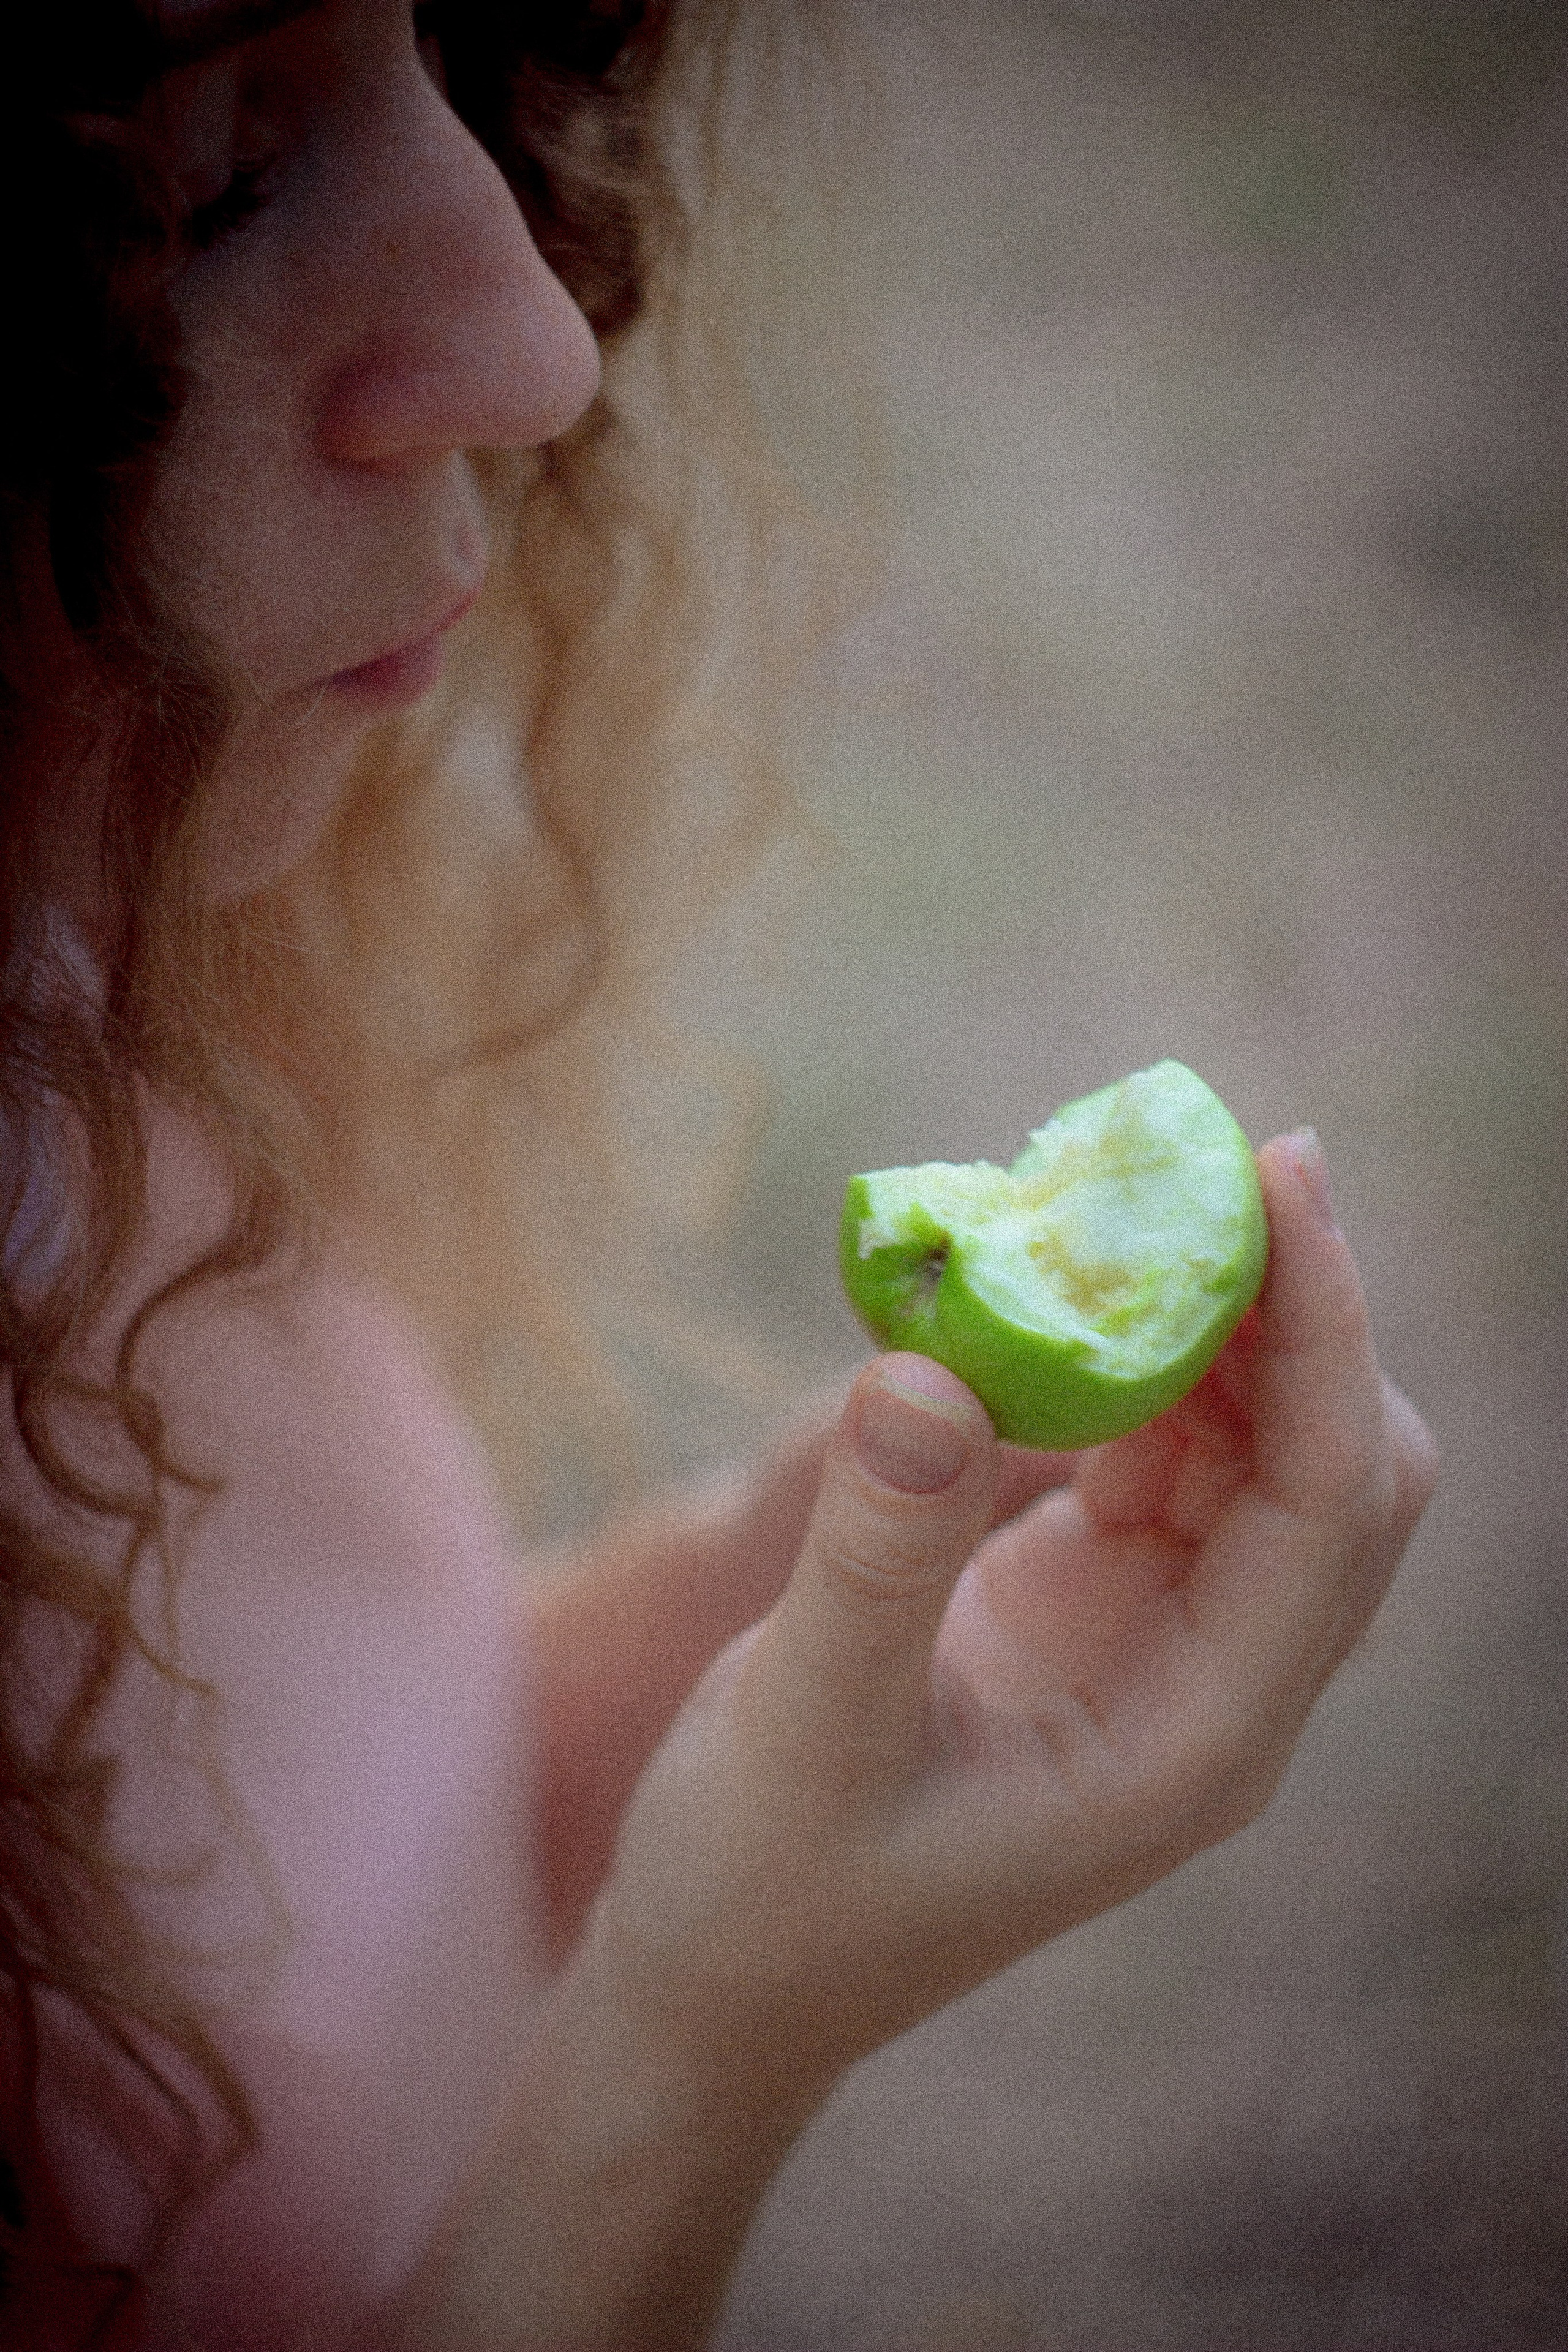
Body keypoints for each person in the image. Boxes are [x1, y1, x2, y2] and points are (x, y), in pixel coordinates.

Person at [0, 1, 1438, 2345]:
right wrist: (696, 2053)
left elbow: (294, 1888)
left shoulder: (80, 1026)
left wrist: (745, 1628)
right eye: (205, 178)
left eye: (455, 51)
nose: (540, 339)